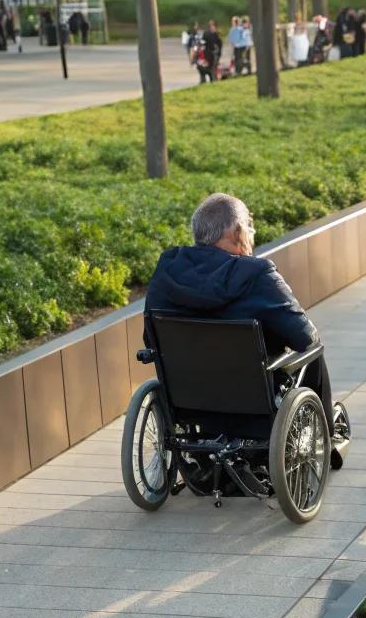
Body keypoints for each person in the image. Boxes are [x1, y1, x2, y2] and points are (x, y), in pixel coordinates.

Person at [144, 193, 348, 465]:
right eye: (250, 226)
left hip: (190, 407)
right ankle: (324, 436)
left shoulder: (167, 269)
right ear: (237, 230)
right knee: (313, 351)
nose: (252, 233)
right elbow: (304, 337)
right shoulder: (257, 274)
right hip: (254, 410)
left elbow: (151, 339)